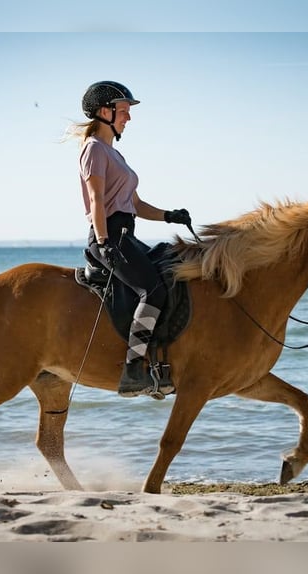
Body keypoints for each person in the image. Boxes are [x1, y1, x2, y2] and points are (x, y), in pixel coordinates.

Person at [76, 81, 192, 397]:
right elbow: (97, 200)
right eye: (124, 111)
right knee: (152, 291)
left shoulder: (115, 154)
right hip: (110, 238)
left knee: (170, 264)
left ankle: (162, 358)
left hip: (127, 236)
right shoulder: (94, 150)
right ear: (105, 112)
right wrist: (102, 242)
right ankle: (133, 369)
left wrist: (170, 215)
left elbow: (137, 206)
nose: (128, 118)